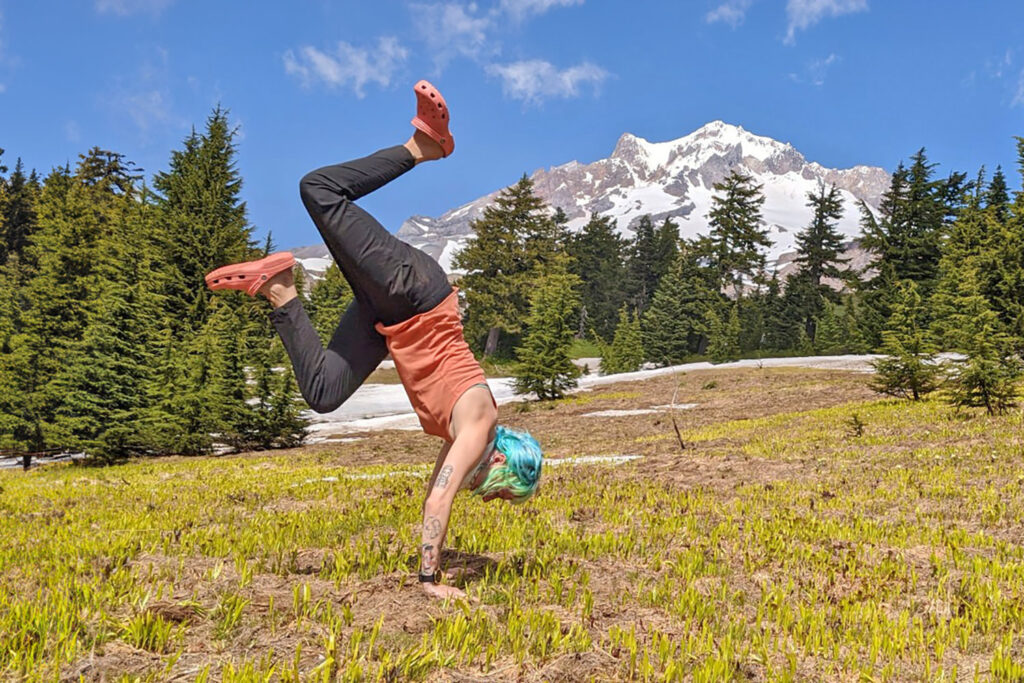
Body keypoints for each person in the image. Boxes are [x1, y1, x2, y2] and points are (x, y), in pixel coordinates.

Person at [204, 80, 542, 599]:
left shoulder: (466, 439)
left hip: (390, 322)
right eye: (500, 494)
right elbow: (440, 502)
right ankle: (422, 147)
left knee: (323, 391)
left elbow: (436, 493)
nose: (486, 496)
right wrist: (430, 581)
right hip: (415, 292)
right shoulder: (480, 425)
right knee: (318, 190)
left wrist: (438, 552)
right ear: (502, 463)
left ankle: (278, 289)